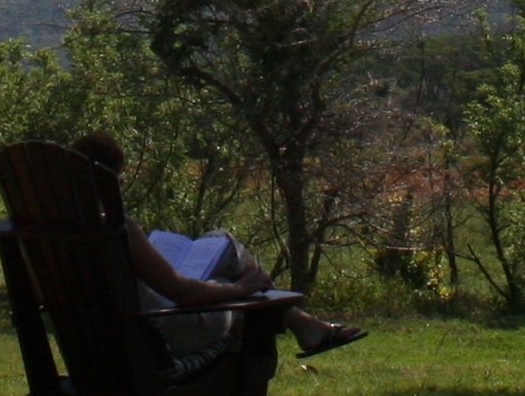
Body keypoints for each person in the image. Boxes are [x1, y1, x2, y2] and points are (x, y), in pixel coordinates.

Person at [72, 132, 365, 362]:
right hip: (167, 332)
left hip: (101, 344)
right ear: (111, 181)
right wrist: (241, 288)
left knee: (219, 238)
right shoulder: (116, 228)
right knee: (235, 281)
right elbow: (183, 293)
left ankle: (302, 323)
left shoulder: (58, 231)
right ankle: (300, 325)